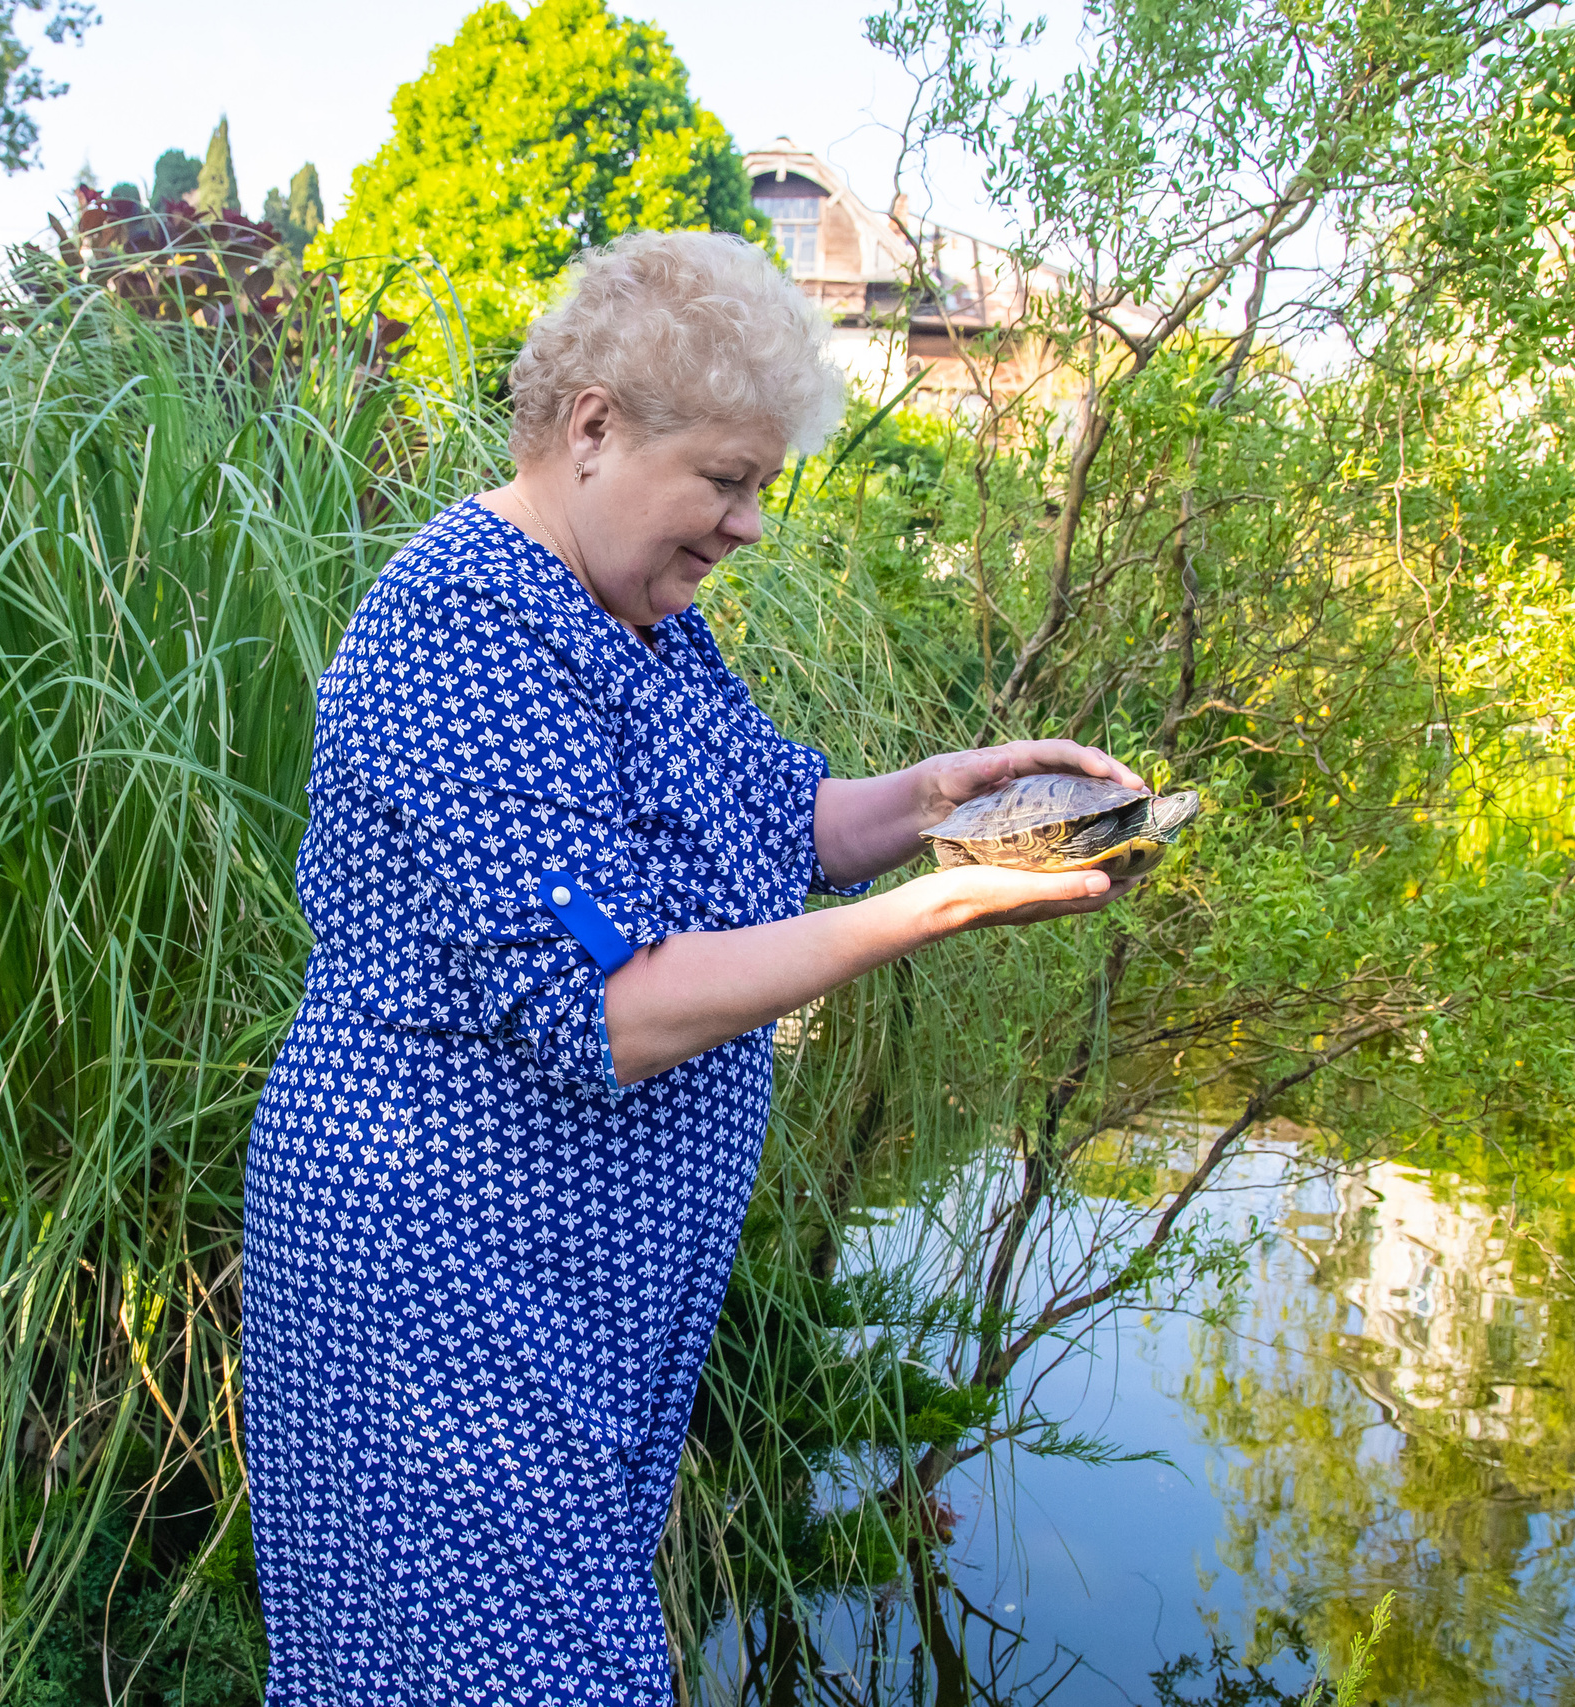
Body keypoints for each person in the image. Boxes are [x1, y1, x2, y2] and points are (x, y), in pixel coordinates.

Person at [240, 230, 1143, 1704]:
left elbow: (778, 823)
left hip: (572, 1283)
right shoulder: (463, 630)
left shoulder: (638, 618)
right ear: (592, 428)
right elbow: (616, 1005)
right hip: (440, 1270)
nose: (746, 528)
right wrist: (939, 907)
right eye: (725, 482)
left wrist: (940, 802)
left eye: (760, 489)